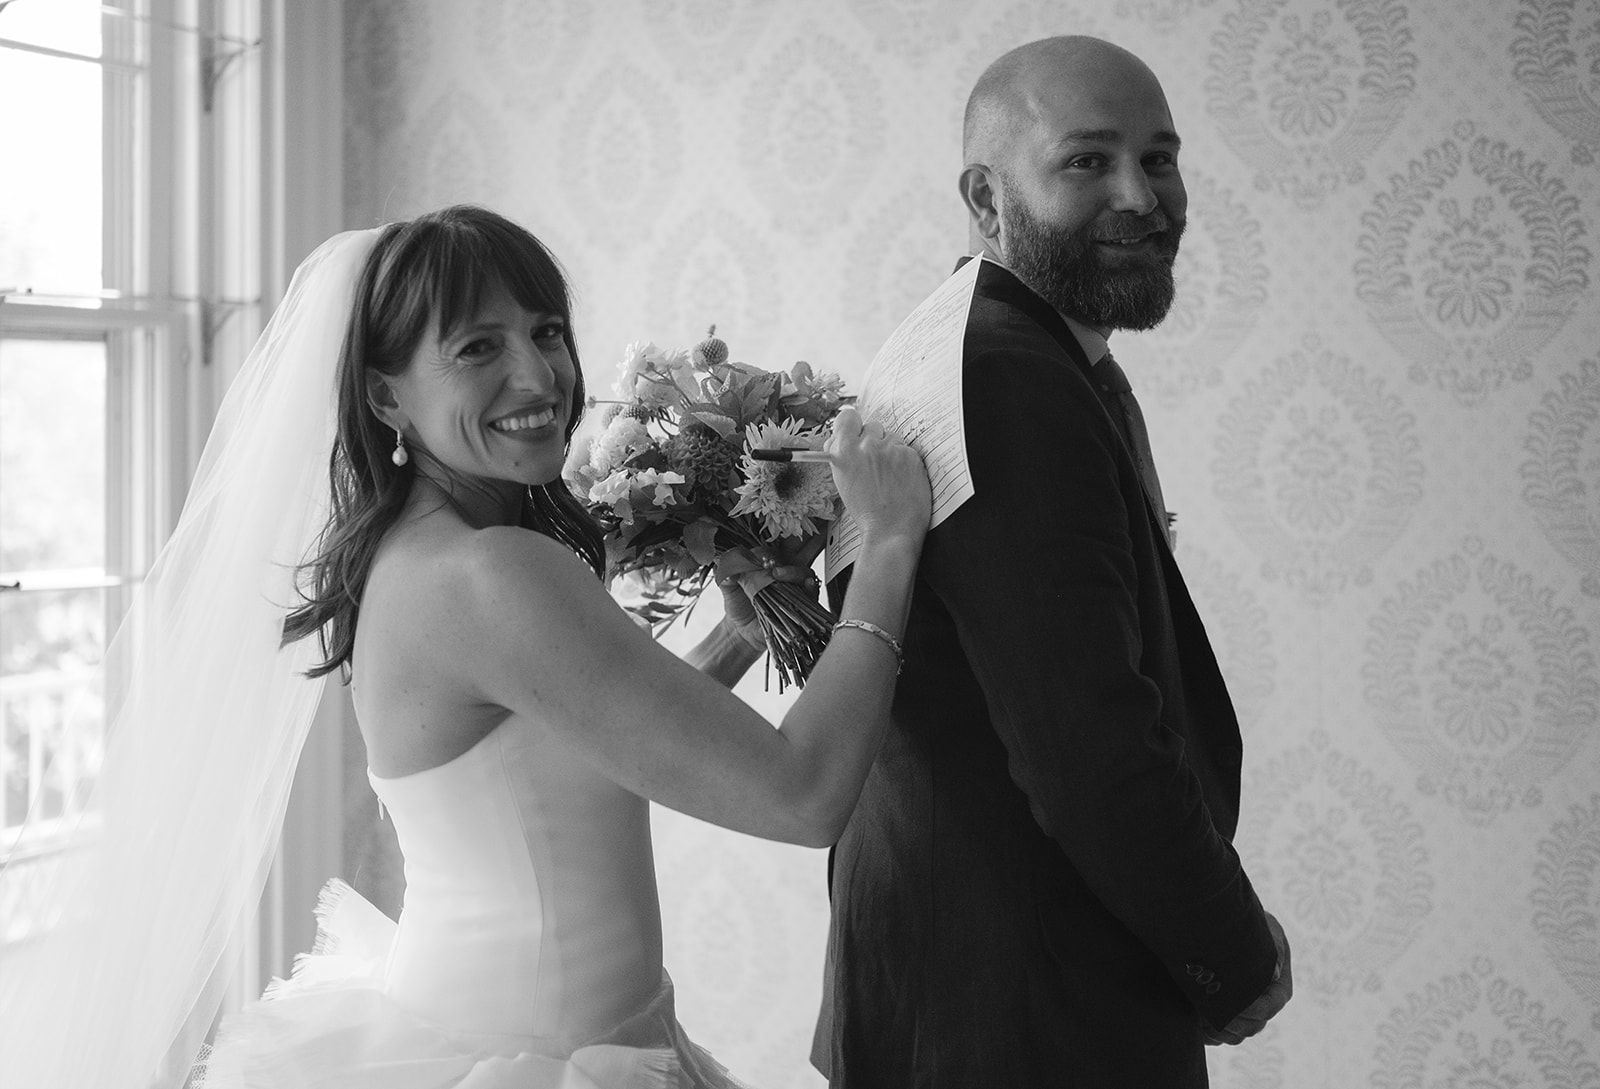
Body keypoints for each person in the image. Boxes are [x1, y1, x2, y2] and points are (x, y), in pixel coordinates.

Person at [0, 205, 930, 1089]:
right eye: (479, 347)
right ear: (384, 393)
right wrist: (889, 539)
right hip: (534, 1056)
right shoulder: (491, 574)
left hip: (506, 1026)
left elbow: (584, 749)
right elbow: (804, 794)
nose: (537, 377)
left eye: (546, 331)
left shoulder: (418, 549)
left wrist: (737, 625)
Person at [811, 36, 1292, 1087]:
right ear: (986, 199)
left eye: (1158, 159)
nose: (1141, 195)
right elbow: (1086, 740)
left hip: (973, 991)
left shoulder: (988, 347)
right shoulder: (1006, 378)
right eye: (1086, 162)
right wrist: (1231, 953)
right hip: (1023, 1015)